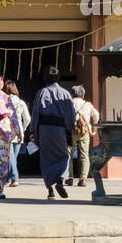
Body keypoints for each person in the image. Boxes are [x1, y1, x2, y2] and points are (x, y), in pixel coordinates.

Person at [29, 66, 77, 199]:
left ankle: (50, 189)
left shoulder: (41, 92)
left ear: (45, 78)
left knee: (46, 157)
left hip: (44, 128)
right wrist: (69, 126)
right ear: (58, 77)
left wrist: (33, 130)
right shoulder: (65, 93)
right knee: (63, 155)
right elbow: (70, 113)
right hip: (59, 128)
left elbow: (36, 113)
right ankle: (60, 180)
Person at [65, 83, 99, 187]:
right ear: (83, 95)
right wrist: (94, 128)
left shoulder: (68, 103)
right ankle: (83, 179)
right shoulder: (87, 104)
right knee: (84, 155)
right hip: (84, 131)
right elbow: (96, 115)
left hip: (71, 131)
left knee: (68, 155)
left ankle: (69, 178)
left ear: (72, 94)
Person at [3, 79, 30, 188]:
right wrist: (23, 129)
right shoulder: (21, 102)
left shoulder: (4, 102)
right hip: (18, 133)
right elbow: (27, 119)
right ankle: (9, 178)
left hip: (7, 132)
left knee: (10, 158)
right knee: (13, 158)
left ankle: (15, 178)